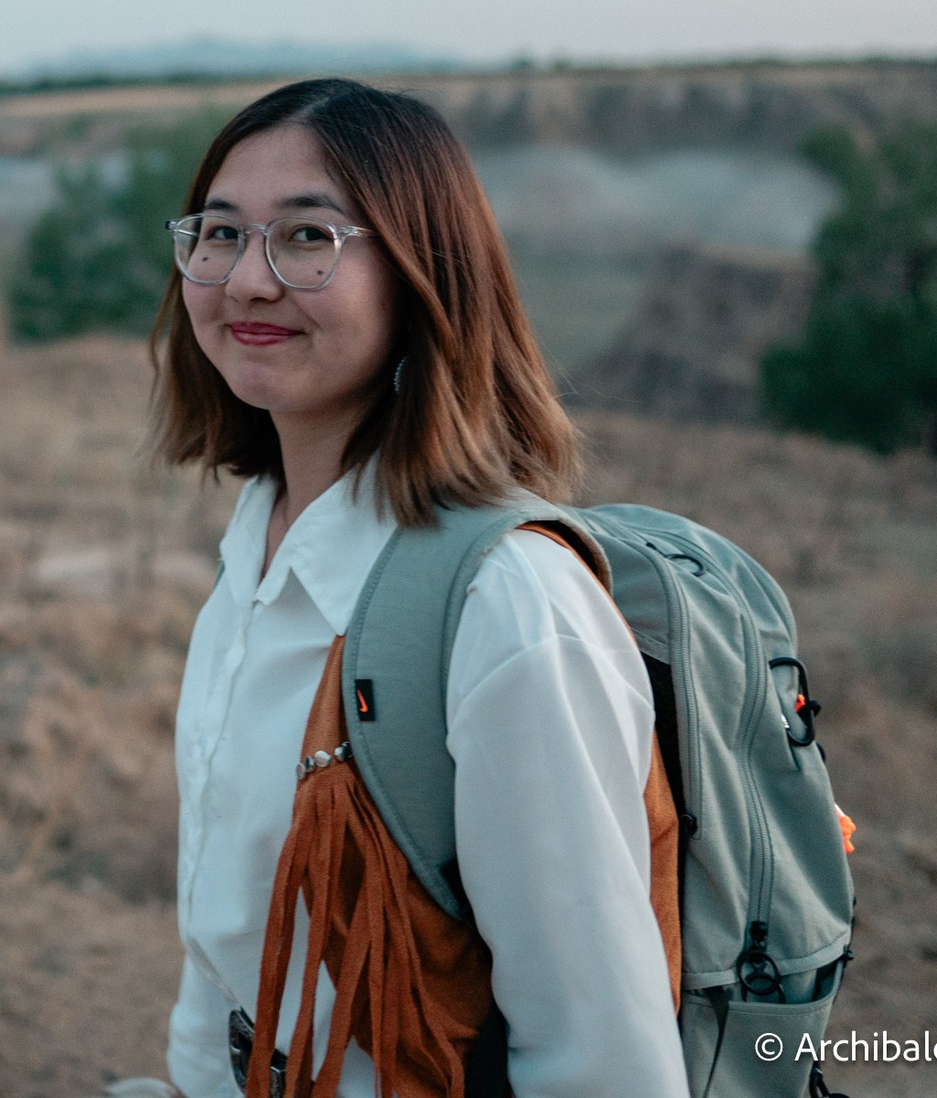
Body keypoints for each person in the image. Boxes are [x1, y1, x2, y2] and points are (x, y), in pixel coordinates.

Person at [156, 79, 683, 1098]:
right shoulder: (260, 543)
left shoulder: (509, 608)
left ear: (419, 271)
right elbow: (227, 932)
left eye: (307, 237)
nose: (248, 280)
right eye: (220, 234)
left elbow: (603, 1061)